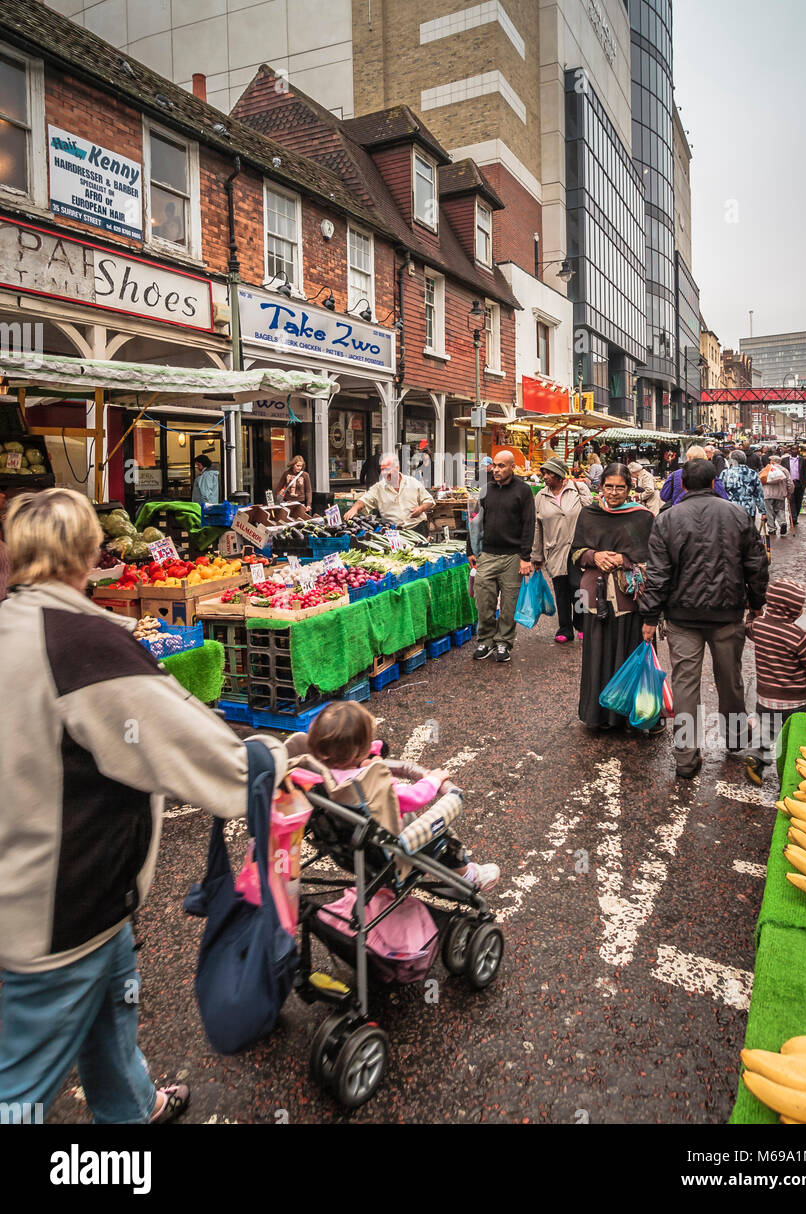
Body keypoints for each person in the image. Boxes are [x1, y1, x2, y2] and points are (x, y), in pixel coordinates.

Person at [0, 488, 289, 1123]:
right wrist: (264, 763)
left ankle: (133, 1107)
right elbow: (179, 737)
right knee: (19, 1085)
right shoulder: (82, 644)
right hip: (57, 909)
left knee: (110, 1016)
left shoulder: (13, 625)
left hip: (83, 901)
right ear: (90, 554)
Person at [640, 459, 769, 779]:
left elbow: (657, 573)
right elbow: (756, 564)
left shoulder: (667, 519)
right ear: (714, 482)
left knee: (686, 686)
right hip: (727, 613)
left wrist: (650, 615)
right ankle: (737, 740)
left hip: (682, 615)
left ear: (682, 484)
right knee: (731, 680)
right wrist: (756, 604)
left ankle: (685, 757)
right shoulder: (737, 514)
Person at [296, 700, 500, 892]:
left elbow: (346, 758)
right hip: (386, 853)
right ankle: (468, 876)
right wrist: (434, 780)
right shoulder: (369, 783)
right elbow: (412, 798)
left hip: (346, 848)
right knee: (440, 833)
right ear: (359, 752)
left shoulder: (318, 773)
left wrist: (365, 755)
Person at [568, 463, 654, 733]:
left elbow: (653, 557)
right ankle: (599, 716)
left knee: (627, 652)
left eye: (620, 487)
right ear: (600, 486)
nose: (614, 492)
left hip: (629, 599)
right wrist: (595, 556)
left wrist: (624, 558)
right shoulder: (589, 513)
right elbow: (575, 552)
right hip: (595, 597)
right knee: (598, 653)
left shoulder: (643, 517)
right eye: (609, 486)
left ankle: (630, 717)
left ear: (629, 488)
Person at [742, 579, 806, 785]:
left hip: (766, 698)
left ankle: (756, 759)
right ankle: (790, 772)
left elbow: (747, 627)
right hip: (796, 701)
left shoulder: (760, 627)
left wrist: (752, 613)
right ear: (794, 611)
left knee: (764, 732)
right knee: (794, 736)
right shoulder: (799, 636)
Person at [471, 450, 535, 664]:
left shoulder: (523, 491)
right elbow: (474, 522)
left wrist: (526, 557)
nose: (496, 469)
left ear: (512, 467)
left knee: (509, 605)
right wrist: (470, 550)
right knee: (484, 602)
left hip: (513, 556)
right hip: (487, 554)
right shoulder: (485, 490)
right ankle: (486, 640)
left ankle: (503, 642)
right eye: (495, 466)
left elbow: (529, 525)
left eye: (501, 466)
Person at [531, 456, 591, 644]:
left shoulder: (578, 489)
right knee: (561, 590)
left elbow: (590, 514)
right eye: (544, 473)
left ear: (559, 474)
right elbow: (537, 526)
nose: (545, 477)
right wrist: (536, 554)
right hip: (554, 549)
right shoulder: (541, 496)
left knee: (579, 588)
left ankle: (581, 624)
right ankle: (565, 628)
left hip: (577, 549)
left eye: (549, 473)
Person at [343, 452, 434, 528]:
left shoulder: (412, 482)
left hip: (417, 527)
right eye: (382, 470)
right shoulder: (378, 488)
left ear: (397, 468)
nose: (385, 473)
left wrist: (421, 509)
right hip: (395, 531)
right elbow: (364, 500)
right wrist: (354, 508)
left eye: (387, 469)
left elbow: (429, 501)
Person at [660, 444, 729, 505]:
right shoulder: (710, 473)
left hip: (679, 512)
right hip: (706, 512)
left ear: (688, 457)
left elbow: (664, 496)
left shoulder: (675, 475)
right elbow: (723, 497)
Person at [723, 449, 767, 519]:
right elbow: (759, 493)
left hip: (731, 509)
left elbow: (721, 491)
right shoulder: (753, 473)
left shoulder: (725, 473)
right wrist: (763, 511)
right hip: (749, 509)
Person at [760, 453, 794, 537]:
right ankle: (782, 523)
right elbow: (790, 483)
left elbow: (759, 479)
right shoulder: (784, 470)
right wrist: (789, 492)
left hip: (768, 494)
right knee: (780, 509)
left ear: (773, 461)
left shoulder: (766, 469)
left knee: (769, 511)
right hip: (780, 494)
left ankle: (772, 529)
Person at [786, 444, 806, 527]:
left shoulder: (803, 460)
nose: (794, 451)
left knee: (798, 502)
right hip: (790, 483)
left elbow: (805, 473)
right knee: (791, 501)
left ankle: (795, 517)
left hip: (799, 483)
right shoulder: (785, 460)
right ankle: (793, 518)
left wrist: (804, 484)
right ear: (790, 451)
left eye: (796, 449)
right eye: (793, 449)